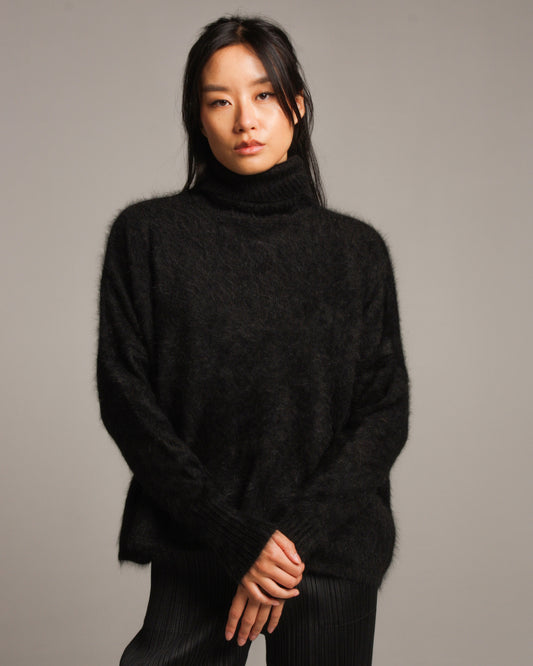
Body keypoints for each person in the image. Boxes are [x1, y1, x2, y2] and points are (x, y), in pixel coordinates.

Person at [96, 14, 410, 666]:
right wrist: (235, 536)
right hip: (197, 542)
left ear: (298, 106)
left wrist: (287, 543)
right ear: (197, 118)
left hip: (324, 552)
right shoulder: (147, 237)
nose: (245, 119)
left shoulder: (355, 252)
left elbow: (383, 413)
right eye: (220, 101)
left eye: (264, 94)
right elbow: (127, 400)